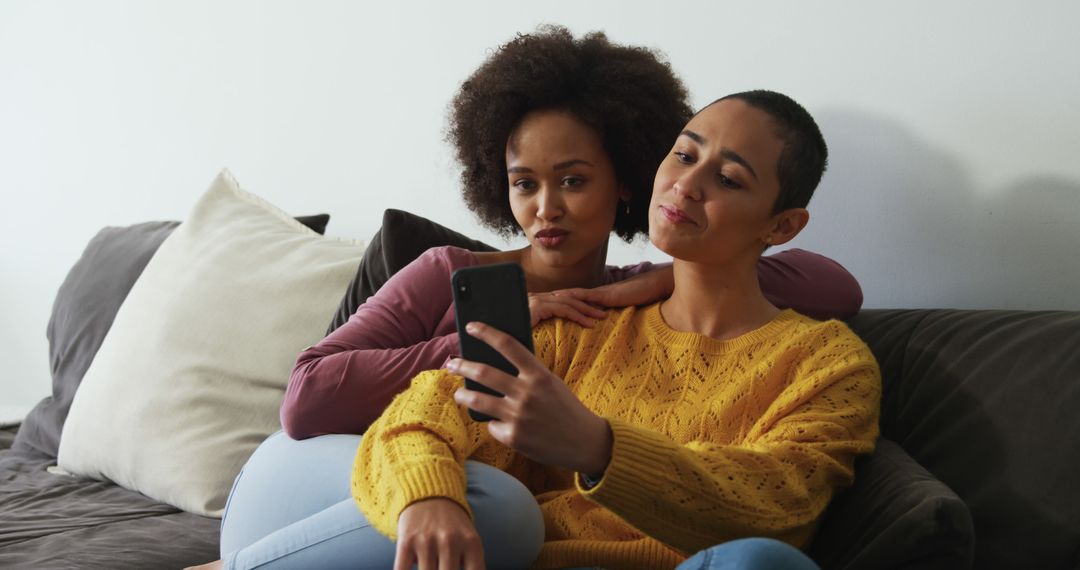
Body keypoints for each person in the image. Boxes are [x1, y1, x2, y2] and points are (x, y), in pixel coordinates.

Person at [195, 26, 863, 570]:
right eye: (523, 183)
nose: (545, 208)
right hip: (321, 468)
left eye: (573, 180)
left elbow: (832, 287)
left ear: (624, 179)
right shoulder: (454, 273)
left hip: (474, 508)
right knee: (499, 505)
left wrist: (663, 277)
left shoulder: (608, 302)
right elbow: (310, 396)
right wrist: (487, 337)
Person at [349, 90, 881, 569]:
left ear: (782, 225)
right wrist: (429, 496)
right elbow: (422, 411)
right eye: (684, 155)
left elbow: (781, 502)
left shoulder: (830, 364)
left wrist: (599, 447)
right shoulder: (580, 324)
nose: (686, 185)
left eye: (727, 178)